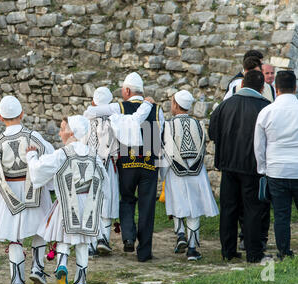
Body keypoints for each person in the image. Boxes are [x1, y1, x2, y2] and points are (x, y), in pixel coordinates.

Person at [83, 72, 165, 262]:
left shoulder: (119, 107)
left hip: (127, 163)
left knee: (127, 199)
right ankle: (144, 252)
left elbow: (92, 112)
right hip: (149, 163)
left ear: (127, 90)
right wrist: (159, 166)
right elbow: (160, 137)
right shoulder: (157, 108)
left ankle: (128, 236)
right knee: (147, 207)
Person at [26, 115, 110, 284]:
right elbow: (104, 179)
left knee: (63, 238)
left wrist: (31, 156)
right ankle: (80, 282)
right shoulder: (93, 155)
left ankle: (62, 266)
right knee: (82, 242)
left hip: (66, 202)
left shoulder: (62, 153)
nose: (60, 132)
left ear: (71, 132)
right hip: (88, 203)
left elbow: (40, 169)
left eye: (62, 128)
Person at [0, 95, 54, 284]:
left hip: (10, 192)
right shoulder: (34, 136)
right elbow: (50, 159)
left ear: (0, 117)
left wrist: (2, 187)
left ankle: (17, 283)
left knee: (15, 236)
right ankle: (38, 269)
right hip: (34, 189)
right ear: (22, 114)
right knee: (41, 229)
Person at [209, 70, 272, 263]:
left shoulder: (225, 106)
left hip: (228, 165)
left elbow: (212, 132)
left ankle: (228, 251)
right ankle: (253, 252)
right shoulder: (265, 107)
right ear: (262, 88)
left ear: (242, 84)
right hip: (253, 166)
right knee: (253, 209)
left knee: (229, 208)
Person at [161, 90, 219, 261]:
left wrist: (162, 173)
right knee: (194, 208)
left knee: (177, 202)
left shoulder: (168, 125)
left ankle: (180, 235)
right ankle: (192, 248)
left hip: (175, 170)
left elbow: (166, 150)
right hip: (196, 171)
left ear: (175, 105)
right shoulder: (199, 125)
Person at [254, 70, 298, 260]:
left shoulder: (267, 112)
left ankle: (284, 251)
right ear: (295, 88)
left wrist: (263, 169)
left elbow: (259, 145)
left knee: (281, 215)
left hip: (276, 169)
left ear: (276, 89)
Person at [83, 87, 120, 257]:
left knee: (91, 202)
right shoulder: (117, 119)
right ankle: (102, 239)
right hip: (109, 165)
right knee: (108, 199)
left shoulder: (86, 119)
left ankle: (91, 244)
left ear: (94, 102)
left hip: (90, 165)